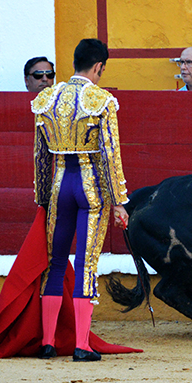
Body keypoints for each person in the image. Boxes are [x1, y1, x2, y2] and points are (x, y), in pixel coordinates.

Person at [31, 39, 129, 362]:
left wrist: (42, 198)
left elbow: (40, 157)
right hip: (89, 187)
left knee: (55, 263)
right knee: (85, 265)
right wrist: (119, 201)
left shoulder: (46, 98)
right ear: (98, 66)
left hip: (59, 185)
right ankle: (81, 346)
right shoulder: (101, 100)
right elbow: (110, 153)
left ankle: (47, 343)